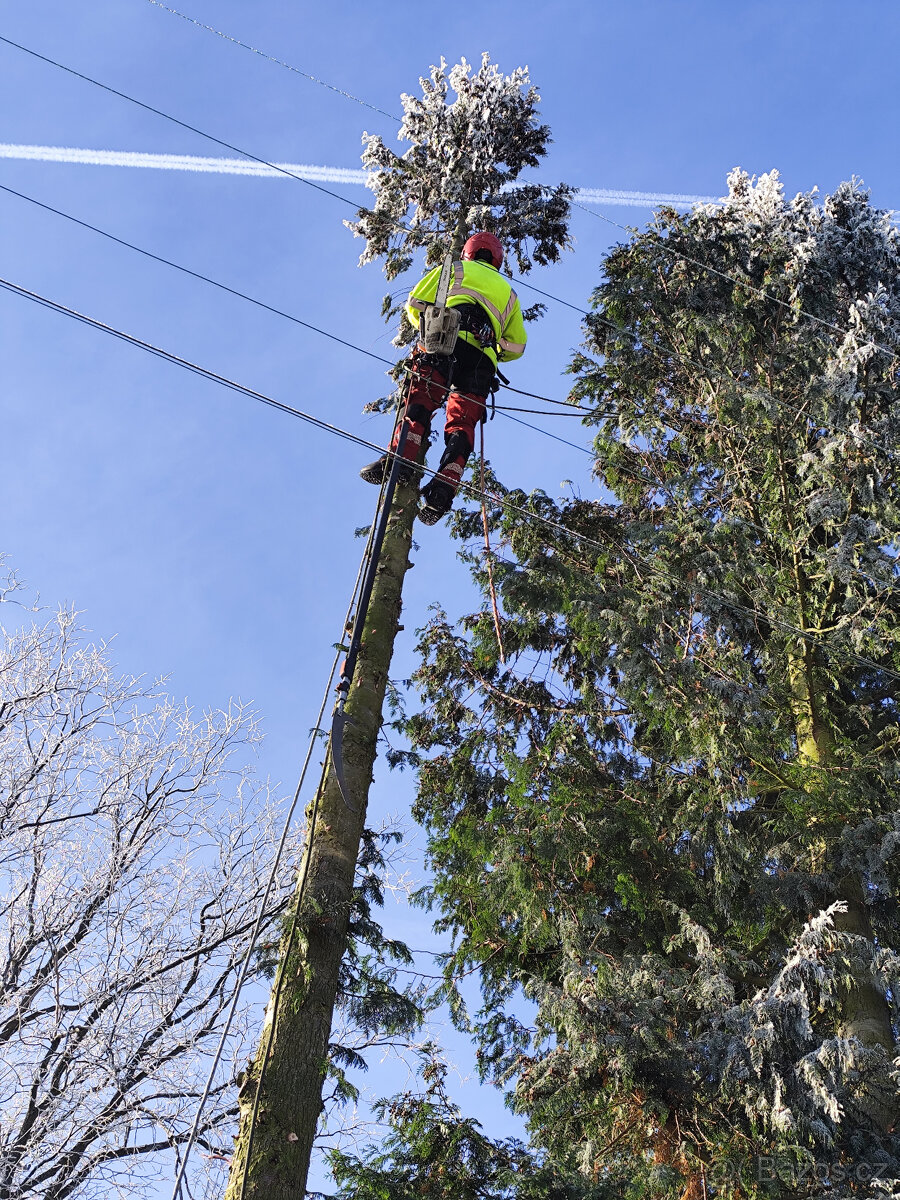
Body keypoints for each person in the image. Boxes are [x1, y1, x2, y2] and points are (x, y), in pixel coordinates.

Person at [359, 232, 527, 525]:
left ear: (469, 252)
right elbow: (518, 347)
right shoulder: (509, 293)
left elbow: (414, 304)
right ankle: (444, 489)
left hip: (442, 340)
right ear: (497, 258)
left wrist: (427, 326)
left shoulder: (453, 269)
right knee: (462, 424)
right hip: (480, 361)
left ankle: (402, 459)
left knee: (421, 399)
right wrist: (494, 347)